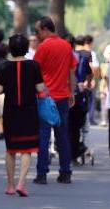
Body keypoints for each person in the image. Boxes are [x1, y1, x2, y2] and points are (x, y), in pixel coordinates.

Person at [0, 34, 44, 197]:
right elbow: (40, 88)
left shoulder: (4, 67)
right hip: (29, 111)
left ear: (10, 48)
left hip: (10, 111)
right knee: (27, 149)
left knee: (11, 150)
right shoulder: (34, 65)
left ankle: (10, 185)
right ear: (25, 48)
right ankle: (21, 184)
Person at [33, 16, 77, 185]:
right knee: (62, 136)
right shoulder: (66, 46)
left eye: (37, 31)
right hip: (62, 97)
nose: (37, 35)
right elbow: (71, 71)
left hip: (45, 98)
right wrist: (71, 92)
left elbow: (35, 72)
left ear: (45, 29)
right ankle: (65, 173)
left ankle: (42, 174)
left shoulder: (43, 47)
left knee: (43, 136)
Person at [68, 36, 93, 162]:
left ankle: (66, 153)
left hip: (63, 94)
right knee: (76, 126)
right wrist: (87, 84)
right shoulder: (83, 56)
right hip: (79, 94)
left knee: (64, 126)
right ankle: (74, 154)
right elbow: (89, 74)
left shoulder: (61, 57)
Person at [83, 35, 100, 125]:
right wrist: (92, 79)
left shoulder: (77, 52)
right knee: (91, 100)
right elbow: (95, 67)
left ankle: (84, 119)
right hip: (89, 79)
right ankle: (90, 119)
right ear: (91, 43)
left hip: (80, 81)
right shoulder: (92, 53)